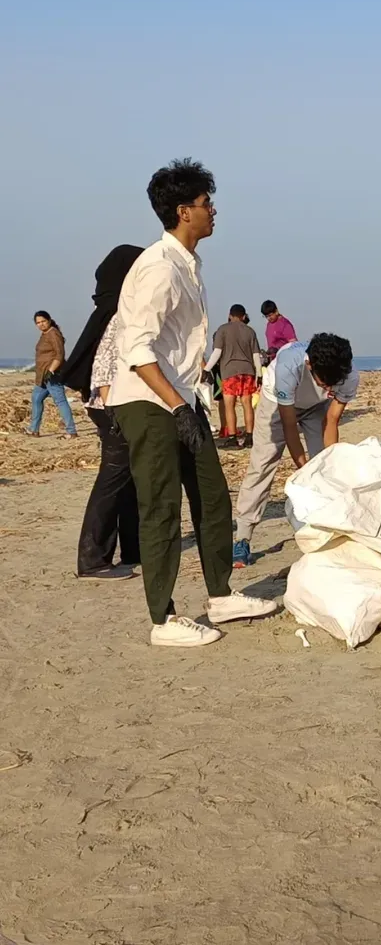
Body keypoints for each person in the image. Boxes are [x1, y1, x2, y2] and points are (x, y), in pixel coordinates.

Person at [110, 158, 277, 646]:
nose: (213, 210)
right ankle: (163, 620)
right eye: (206, 204)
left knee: (212, 494)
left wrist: (189, 401)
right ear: (184, 211)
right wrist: (177, 406)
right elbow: (136, 348)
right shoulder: (160, 268)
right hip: (149, 399)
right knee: (160, 507)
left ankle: (221, 596)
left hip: (182, 396)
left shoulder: (189, 263)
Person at [54, 245, 144, 579]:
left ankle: (133, 549)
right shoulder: (121, 316)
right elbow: (104, 371)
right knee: (113, 478)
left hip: (113, 408)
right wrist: (117, 414)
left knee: (129, 480)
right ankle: (93, 559)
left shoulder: (117, 311)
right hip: (112, 409)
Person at [232, 333, 359, 567]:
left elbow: (331, 421)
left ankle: (325, 529)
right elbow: (289, 425)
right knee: (262, 464)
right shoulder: (288, 366)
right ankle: (242, 536)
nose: (331, 387)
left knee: (324, 464)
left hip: (316, 408)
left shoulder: (348, 375)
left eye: (334, 383)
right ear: (309, 364)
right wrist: (304, 469)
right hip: (277, 404)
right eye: (325, 383)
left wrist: (325, 466)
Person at [207, 304, 263, 447]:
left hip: (229, 371)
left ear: (230, 315)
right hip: (248, 371)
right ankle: (250, 437)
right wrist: (259, 374)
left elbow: (217, 352)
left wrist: (207, 369)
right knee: (247, 404)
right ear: (244, 316)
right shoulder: (250, 331)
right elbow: (256, 355)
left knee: (229, 405)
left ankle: (233, 437)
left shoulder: (223, 330)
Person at [27, 312, 78, 438]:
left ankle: (71, 431)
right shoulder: (44, 334)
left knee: (60, 400)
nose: (41, 324)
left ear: (49, 320)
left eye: (43, 321)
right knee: (36, 399)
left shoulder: (53, 333)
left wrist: (51, 370)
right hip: (43, 376)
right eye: (38, 322)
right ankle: (33, 429)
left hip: (52, 374)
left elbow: (59, 354)